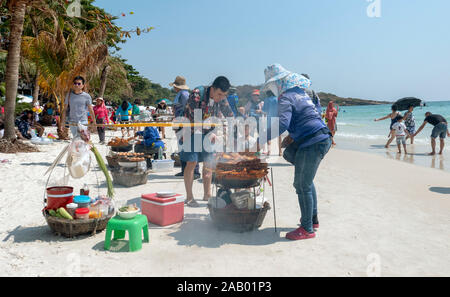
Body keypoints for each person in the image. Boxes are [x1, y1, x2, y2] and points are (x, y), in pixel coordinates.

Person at [260, 64, 332, 241]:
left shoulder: (286, 97)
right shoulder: (301, 93)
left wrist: (261, 139)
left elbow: (283, 123)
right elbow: (307, 117)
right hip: (321, 138)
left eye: (273, 85)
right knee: (306, 181)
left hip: (312, 142)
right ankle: (312, 219)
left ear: (279, 83)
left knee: (301, 184)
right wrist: (292, 137)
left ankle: (307, 229)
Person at [180, 76, 234, 207]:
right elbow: (194, 116)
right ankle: (189, 197)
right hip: (191, 130)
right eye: (219, 94)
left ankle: (207, 194)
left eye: (224, 95)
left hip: (208, 132)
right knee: (192, 162)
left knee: (208, 163)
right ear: (213, 88)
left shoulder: (221, 98)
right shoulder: (197, 94)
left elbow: (230, 114)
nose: (221, 97)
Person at [170, 76, 201, 180]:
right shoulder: (180, 94)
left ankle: (195, 171)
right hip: (180, 123)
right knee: (182, 147)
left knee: (189, 147)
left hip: (185, 124)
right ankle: (184, 170)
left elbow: (187, 110)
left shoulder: (184, 95)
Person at [262, 90, 281, 156]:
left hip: (269, 118)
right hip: (277, 118)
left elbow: (264, 110)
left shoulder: (267, 99)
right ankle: (280, 151)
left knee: (268, 135)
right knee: (279, 135)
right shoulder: (278, 99)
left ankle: (269, 150)